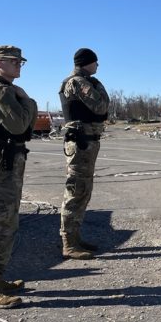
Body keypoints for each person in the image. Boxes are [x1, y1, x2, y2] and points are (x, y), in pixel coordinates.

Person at [0, 46, 38, 309]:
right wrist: (28, 101)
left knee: (8, 223)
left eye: (20, 61)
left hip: (9, 164)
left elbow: (26, 126)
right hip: (0, 167)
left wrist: (25, 102)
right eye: (14, 61)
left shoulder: (8, 90)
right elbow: (19, 125)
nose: (19, 65)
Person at [59, 48, 109, 260]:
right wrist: (100, 88)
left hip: (87, 143)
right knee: (76, 190)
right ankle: (68, 243)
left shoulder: (84, 81)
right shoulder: (78, 82)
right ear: (86, 62)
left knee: (83, 190)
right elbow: (100, 107)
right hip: (80, 143)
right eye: (95, 62)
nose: (97, 66)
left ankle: (75, 238)